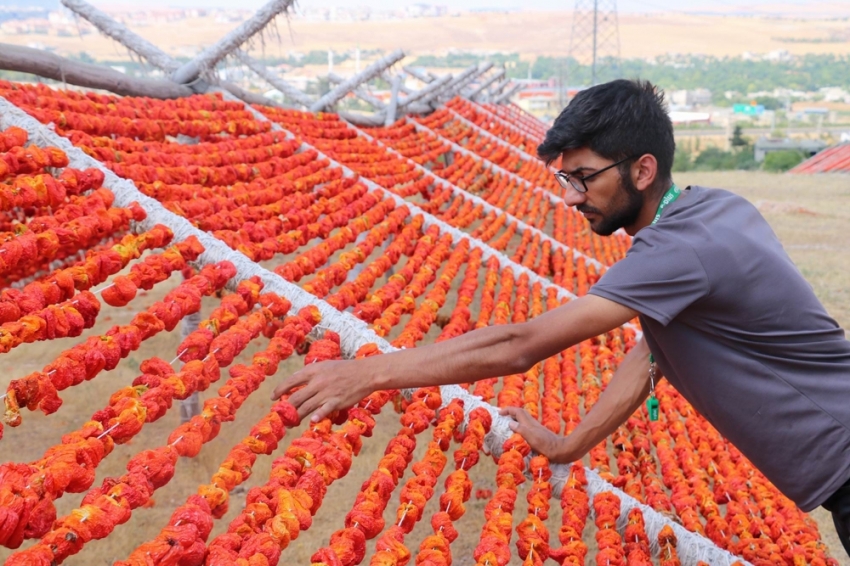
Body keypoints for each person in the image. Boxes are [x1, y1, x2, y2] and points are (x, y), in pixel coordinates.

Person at [272, 79, 850, 556]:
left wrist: (368, 374)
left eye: (585, 178)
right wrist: (572, 445)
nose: (572, 198)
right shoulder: (715, 209)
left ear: (642, 170)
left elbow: (521, 344)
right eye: (565, 178)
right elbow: (653, 351)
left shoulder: (679, 248)